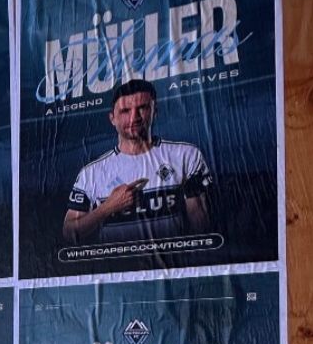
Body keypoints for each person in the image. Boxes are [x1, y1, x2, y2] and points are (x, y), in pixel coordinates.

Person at [62, 78, 212, 246]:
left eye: (142, 108)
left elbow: (200, 222)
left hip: (173, 260)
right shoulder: (91, 173)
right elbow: (69, 232)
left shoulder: (185, 156)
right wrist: (107, 208)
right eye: (125, 111)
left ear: (155, 111)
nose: (134, 117)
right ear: (112, 118)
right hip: (118, 262)